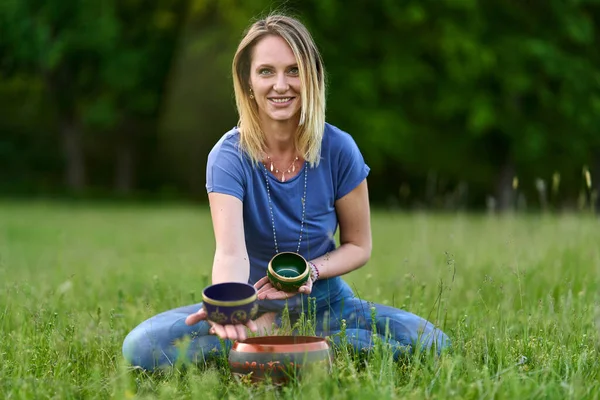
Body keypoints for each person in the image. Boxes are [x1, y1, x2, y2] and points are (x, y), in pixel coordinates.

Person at [122, 13, 450, 371]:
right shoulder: (228, 156)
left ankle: (281, 350)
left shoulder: (340, 149)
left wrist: (311, 270)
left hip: (327, 305)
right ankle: (298, 348)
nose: (281, 85)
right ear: (248, 82)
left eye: (294, 70)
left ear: (312, 78)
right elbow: (231, 253)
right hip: (256, 308)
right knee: (141, 347)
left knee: (434, 344)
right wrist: (232, 308)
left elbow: (358, 246)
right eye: (266, 71)